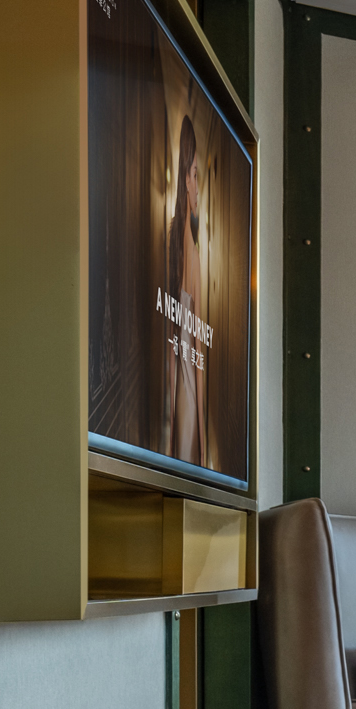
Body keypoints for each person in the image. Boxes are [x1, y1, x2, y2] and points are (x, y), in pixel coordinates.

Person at [163, 112, 208, 468]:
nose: (197, 186)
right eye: (193, 174)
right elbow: (198, 357)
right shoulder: (188, 247)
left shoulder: (177, 237)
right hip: (188, 397)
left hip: (179, 396)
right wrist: (204, 444)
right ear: (184, 179)